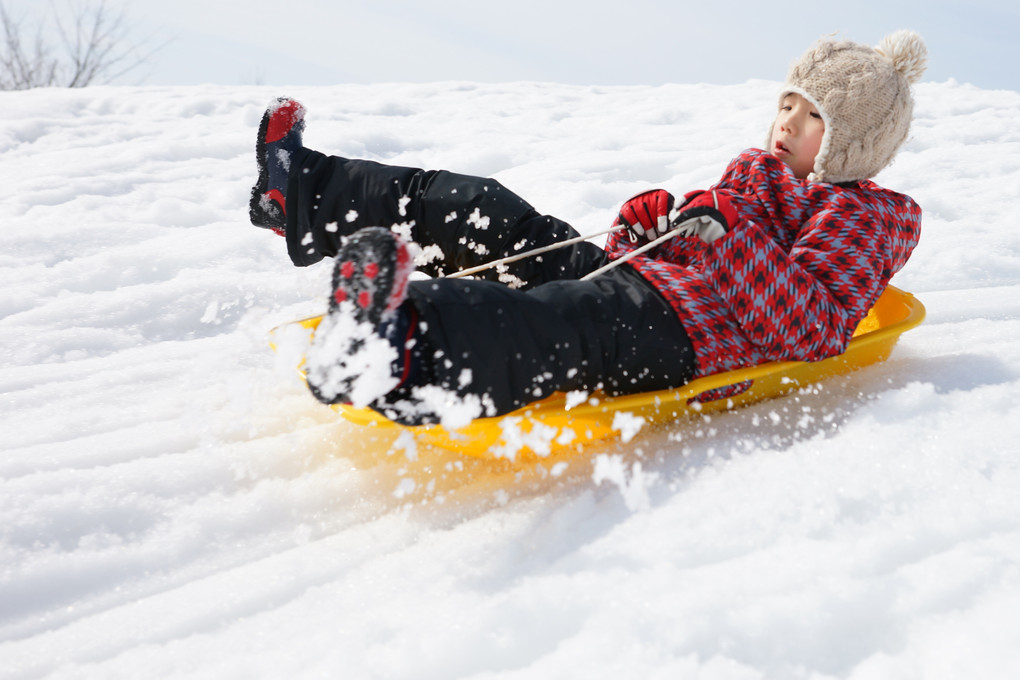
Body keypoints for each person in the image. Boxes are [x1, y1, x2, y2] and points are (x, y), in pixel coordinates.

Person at [249, 30, 927, 427]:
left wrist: (729, 239)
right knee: (491, 212)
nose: (787, 122)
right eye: (787, 103)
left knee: (552, 320)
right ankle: (305, 195)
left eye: (813, 118)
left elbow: (814, 331)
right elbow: (700, 251)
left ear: (851, 144)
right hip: (645, 284)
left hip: (690, 338)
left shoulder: (860, 220)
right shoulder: (754, 172)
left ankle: (393, 350)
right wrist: (645, 230)